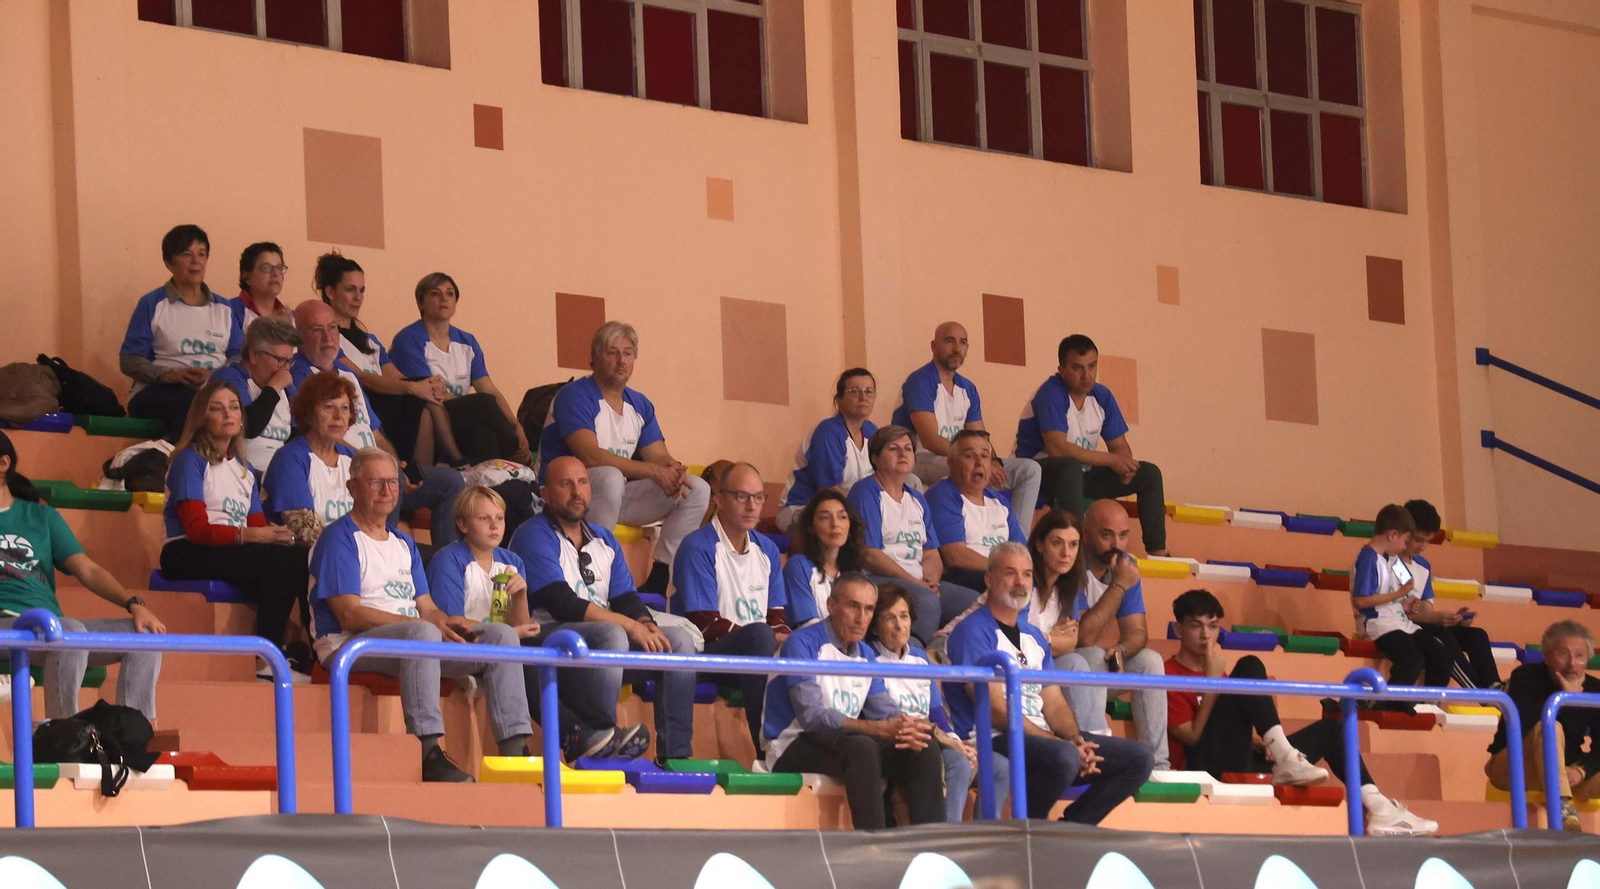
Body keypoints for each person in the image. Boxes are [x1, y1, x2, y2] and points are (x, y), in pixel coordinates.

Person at [308, 448, 534, 783]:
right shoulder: (338, 538)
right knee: (423, 634)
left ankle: (514, 753)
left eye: (392, 482)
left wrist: (447, 624)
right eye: (375, 483)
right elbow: (349, 615)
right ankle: (427, 752)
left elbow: (427, 607)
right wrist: (422, 626)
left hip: (411, 643)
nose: (387, 490)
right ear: (352, 487)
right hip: (348, 645)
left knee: (502, 635)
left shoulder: (404, 542)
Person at [1166, 589, 1437, 835]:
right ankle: (1285, 755)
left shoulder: (1217, 671)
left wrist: (1260, 742)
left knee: (1333, 729)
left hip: (1237, 758)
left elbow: (1228, 729)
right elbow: (1191, 737)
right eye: (1195, 626)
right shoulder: (1167, 674)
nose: (1205, 635)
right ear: (1179, 629)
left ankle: (1379, 808)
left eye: (1213, 626)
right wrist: (1212, 682)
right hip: (1201, 767)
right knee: (1249, 665)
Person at [943, 543, 1153, 823]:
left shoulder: (1034, 636)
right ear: (989, 579)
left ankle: (1071, 829)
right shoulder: (972, 631)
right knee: (1064, 757)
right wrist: (1059, 743)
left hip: (1041, 738)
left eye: (1027, 574)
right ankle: (1030, 830)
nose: (1020, 582)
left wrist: (1075, 739)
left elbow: (1054, 703)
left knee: (1139, 758)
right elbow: (995, 710)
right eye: (1010, 573)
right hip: (992, 738)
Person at [508, 457, 687, 761]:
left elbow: (625, 597)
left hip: (599, 642)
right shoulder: (533, 534)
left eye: (583, 483)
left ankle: (675, 756)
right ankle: (602, 735)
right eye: (566, 484)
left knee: (678, 641)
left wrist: (645, 622)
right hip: (548, 638)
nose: (577, 492)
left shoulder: (604, 539)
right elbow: (561, 602)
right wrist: (629, 625)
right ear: (546, 494)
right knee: (611, 633)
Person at [0, 430, 164, 720]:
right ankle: (64, 734)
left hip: (48, 628)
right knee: (69, 632)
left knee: (144, 637)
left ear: (3, 463)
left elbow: (88, 569)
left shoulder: (41, 517)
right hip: (8, 626)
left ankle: (135, 733)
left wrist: (133, 604)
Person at [539, 321, 710, 595]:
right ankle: (592, 567)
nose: (621, 361)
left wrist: (672, 470)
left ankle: (659, 577)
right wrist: (653, 471)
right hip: (565, 495)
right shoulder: (574, 395)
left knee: (696, 488)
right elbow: (591, 456)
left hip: (613, 495)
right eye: (612, 353)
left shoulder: (639, 404)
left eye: (628, 353)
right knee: (610, 476)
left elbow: (659, 456)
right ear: (594, 358)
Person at [763, 573, 944, 829]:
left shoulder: (866, 655)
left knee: (922, 747)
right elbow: (813, 718)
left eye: (869, 609)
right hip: (791, 744)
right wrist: (876, 728)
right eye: (853, 607)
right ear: (831, 605)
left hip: (841, 741)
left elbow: (883, 707)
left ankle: (930, 842)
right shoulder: (802, 644)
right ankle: (873, 843)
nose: (861, 618)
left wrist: (905, 726)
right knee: (862, 747)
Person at [157, 379, 312, 676]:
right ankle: (266, 658)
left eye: (234, 407)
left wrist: (279, 536)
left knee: (305, 557)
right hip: (185, 550)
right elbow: (196, 530)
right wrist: (254, 535)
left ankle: (318, 657)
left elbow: (257, 525)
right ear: (202, 418)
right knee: (282, 562)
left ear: (242, 417)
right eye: (217, 408)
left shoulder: (244, 469)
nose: (228, 414)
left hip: (230, 547)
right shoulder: (190, 460)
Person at [290, 299, 466, 546]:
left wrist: (392, 464)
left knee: (451, 481)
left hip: (378, 467)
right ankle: (380, 552)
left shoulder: (348, 374)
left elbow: (377, 435)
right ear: (298, 336)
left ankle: (445, 561)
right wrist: (377, 466)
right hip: (348, 471)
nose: (328, 337)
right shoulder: (299, 375)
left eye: (332, 328)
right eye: (316, 330)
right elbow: (318, 435)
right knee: (385, 481)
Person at [1014, 335, 1168, 556]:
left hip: (1078, 475)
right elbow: (1058, 449)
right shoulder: (1051, 393)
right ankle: (1076, 553)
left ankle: (1158, 554)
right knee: (1069, 466)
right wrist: (1111, 460)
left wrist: (1124, 466)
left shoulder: (1102, 396)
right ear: (1062, 370)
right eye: (1078, 368)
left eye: (1092, 366)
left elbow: (1120, 447)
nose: (1086, 375)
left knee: (1149, 474)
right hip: (1039, 472)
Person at [672, 462, 788, 750]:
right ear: (719, 500)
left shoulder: (768, 550)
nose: (752, 506)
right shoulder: (697, 546)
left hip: (757, 652)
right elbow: (705, 624)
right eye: (741, 496)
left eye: (758, 497)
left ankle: (799, 750)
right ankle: (767, 749)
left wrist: (789, 640)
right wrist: (770, 637)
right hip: (709, 655)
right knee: (760, 636)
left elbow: (776, 618)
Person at [870, 583, 1008, 822]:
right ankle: (947, 837)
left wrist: (954, 740)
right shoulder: (869, 658)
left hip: (936, 735)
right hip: (903, 741)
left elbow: (936, 712)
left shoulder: (920, 657)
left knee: (1000, 767)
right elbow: (888, 716)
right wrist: (952, 746)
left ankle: (986, 835)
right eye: (889, 618)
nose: (899, 625)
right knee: (958, 762)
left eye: (904, 616)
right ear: (875, 625)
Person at [892, 321, 1042, 525]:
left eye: (962, 342)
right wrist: (976, 460)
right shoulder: (920, 381)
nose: (957, 348)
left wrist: (992, 460)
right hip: (920, 458)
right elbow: (930, 440)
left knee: (1030, 470)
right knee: (972, 469)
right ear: (934, 346)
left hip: (958, 457)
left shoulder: (967, 388)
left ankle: (1017, 539)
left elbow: (980, 436)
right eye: (949, 341)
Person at [314, 253, 455, 468]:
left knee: (428, 405)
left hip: (387, 399)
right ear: (330, 292)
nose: (358, 297)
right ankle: (456, 459)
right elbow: (361, 378)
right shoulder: (329, 340)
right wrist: (414, 388)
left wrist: (428, 385)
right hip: (363, 402)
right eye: (350, 290)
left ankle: (423, 474)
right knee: (421, 400)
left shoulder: (370, 340)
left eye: (362, 291)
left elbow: (396, 376)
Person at [847, 425, 979, 647]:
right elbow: (869, 555)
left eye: (908, 448)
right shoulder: (866, 492)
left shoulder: (917, 499)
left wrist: (931, 581)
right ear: (875, 458)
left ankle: (939, 652)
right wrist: (916, 583)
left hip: (917, 581)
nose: (903, 453)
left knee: (975, 603)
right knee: (926, 601)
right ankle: (914, 658)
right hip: (876, 578)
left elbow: (931, 553)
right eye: (894, 448)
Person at [389, 273, 531, 466]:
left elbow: (489, 388)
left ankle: (494, 477)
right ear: (420, 303)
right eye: (435, 293)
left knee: (484, 435)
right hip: (429, 414)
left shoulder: (467, 342)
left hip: (463, 418)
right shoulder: (408, 339)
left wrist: (516, 424)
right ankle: (514, 453)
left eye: (450, 293)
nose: (444, 299)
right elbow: (431, 392)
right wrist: (475, 407)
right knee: (483, 404)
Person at [1068, 500, 1169, 767]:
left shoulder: (1126, 564)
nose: (1117, 544)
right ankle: (1098, 757)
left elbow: (1138, 632)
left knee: (1150, 661)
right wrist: (1120, 584)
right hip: (1061, 669)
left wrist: (1121, 650)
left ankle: (1159, 765)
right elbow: (1083, 638)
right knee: (1091, 656)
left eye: (1123, 535)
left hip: (1092, 668)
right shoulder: (1071, 561)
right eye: (1107, 535)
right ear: (1086, 533)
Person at [120, 224, 243, 440]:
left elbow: (239, 356)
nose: (196, 261)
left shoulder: (224, 308)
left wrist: (214, 375)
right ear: (169, 263)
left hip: (213, 388)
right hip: (158, 391)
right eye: (187, 254)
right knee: (193, 404)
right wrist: (166, 375)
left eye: (201, 254)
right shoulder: (153, 304)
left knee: (237, 403)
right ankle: (181, 457)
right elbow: (129, 360)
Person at [1488, 621, 1600, 831]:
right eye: (1563, 654)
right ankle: (1561, 808)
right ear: (1546, 656)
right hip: (1515, 764)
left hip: (1567, 771)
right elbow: (1519, 725)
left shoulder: (1595, 688)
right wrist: (1563, 699)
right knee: (1549, 726)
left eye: (1580, 656)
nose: (1571, 664)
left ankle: (1563, 789)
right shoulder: (1525, 676)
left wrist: (1581, 770)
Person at [1351, 504, 1453, 707]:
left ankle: (1428, 705)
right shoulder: (1368, 558)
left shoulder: (1391, 559)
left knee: (1440, 654)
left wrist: (1405, 602)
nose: (1405, 547)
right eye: (1405, 540)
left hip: (1399, 622)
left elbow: (1404, 587)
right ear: (1393, 535)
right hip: (1377, 624)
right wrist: (1398, 595)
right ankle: (1386, 705)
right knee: (1412, 658)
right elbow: (1361, 600)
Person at [1399, 499, 1500, 689]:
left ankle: (1493, 685)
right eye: (1418, 540)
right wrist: (1434, 618)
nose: (1422, 547)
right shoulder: (1388, 561)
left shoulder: (1423, 565)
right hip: (1399, 627)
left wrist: (1451, 619)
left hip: (1420, 623)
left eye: (1427, 541)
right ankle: (1481, 692)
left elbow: (1426, 609)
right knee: (1442, 636)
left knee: (1477, 636)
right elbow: (1397, 610)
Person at [425, 486, 541, 638]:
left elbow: (522, 629)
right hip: (464, 648)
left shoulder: (513, 561)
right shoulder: (448, 560)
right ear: (462, 525)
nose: (494, 525)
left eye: (499, 518)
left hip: (504, 645)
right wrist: (508, 633)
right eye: (484, 518)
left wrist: (520, 596)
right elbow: (453, 626)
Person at [774, 369, 879, 534]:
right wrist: (865, 514)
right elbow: (829, 492)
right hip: (803, 508)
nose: (863, 397)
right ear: (839, 400)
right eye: (855, 391)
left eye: (869, 391)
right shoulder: (828, 432)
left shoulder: (873, 432)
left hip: (849, 510)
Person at [925, 430, 1026, 591]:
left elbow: (1020, 549)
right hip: (964, 577)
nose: (979, 463)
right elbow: (955, 556)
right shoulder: (942, 495)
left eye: (985, 456)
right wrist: (1004, 568)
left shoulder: (999, 501)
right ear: (951, 463)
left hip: (1001, 572)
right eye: (969, 456)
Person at [262, 372, 358, 537]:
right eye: (328, 407)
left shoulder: (355, 460)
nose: (338, 416)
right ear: (309, 413)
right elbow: (304, 529)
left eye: (345, 408)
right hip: (309, 551)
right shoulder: (290, 458)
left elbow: (372, 518)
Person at [209, 317, 300, 476]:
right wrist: (274, 388)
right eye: (280, 360)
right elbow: (248, 427)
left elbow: (299, 434)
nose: (285, 369)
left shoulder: (286, 388)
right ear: (254, 355)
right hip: (239, 473)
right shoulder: (229, 378)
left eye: (289, 361)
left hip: (277, 474)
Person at [783, 490, 867, 629]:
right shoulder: (799, 566)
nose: (835, 524)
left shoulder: (855, 571)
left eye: (842, 517)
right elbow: (808, 628)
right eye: (824, 518)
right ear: (811, 527)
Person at [231, 242, 294, 329]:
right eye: (266, 268)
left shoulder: (292, 317)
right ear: (247, 277)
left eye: (279, 268)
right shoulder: (231, 312)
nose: (275, 274)